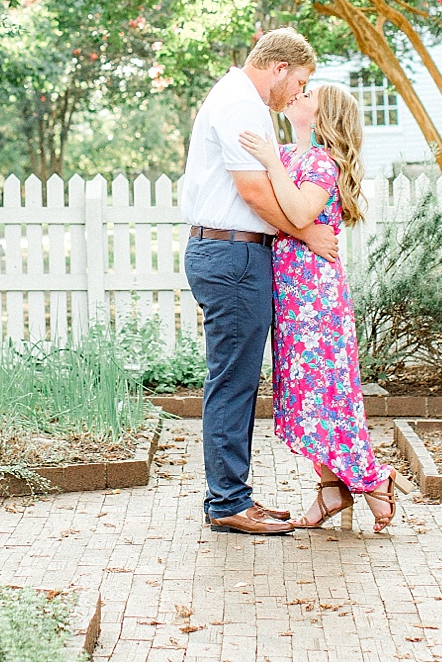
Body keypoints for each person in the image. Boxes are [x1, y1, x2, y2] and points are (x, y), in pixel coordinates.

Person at [181, 28, 339, 535]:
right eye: (300, 80)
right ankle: (228, 502)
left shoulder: (243, 100)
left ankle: (234, 496)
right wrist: (308, 232)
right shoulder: (240, 103)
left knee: (239, 380)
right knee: (232, 380)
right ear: (279, 68)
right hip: (232, 255)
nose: (298, 92)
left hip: (237, 253)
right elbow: (252, 190)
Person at [238, 82, 410, 533]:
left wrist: (272, 161)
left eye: (308, 93)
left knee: (326, 393)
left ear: (323, 114)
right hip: (293, 295)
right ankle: (332, 489)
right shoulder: (291, 154)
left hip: (314, 295)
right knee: (309, 392)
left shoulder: (319, 161)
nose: (297, 94)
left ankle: (373, 479)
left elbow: (298, 214)